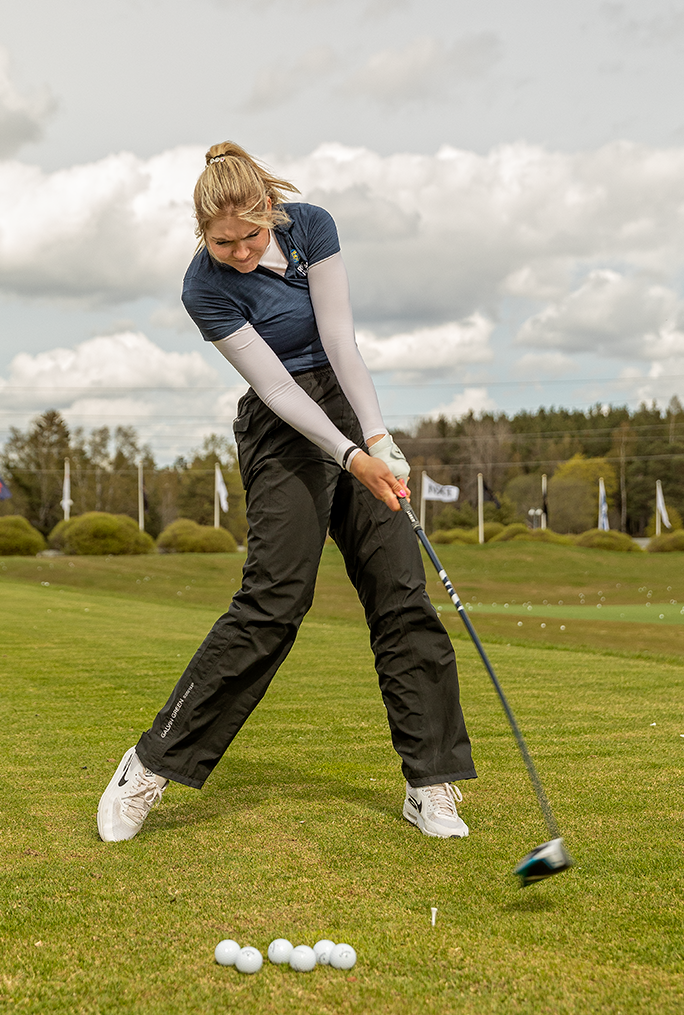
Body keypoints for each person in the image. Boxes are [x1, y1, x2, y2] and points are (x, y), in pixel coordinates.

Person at [98, 142, 475, 843]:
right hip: (281, 426)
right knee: (274, 601)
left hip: (344, 401)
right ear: (201, 234)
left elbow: (339, 338)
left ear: (272, 212)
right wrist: (350, 454)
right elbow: (274, 386)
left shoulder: (312, 227)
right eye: (222, 242)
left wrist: (379, 437)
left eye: (251, 235)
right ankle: (149, 765)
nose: (239, 252)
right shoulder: (202, 289)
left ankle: (429, 784)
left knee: (402, 594)